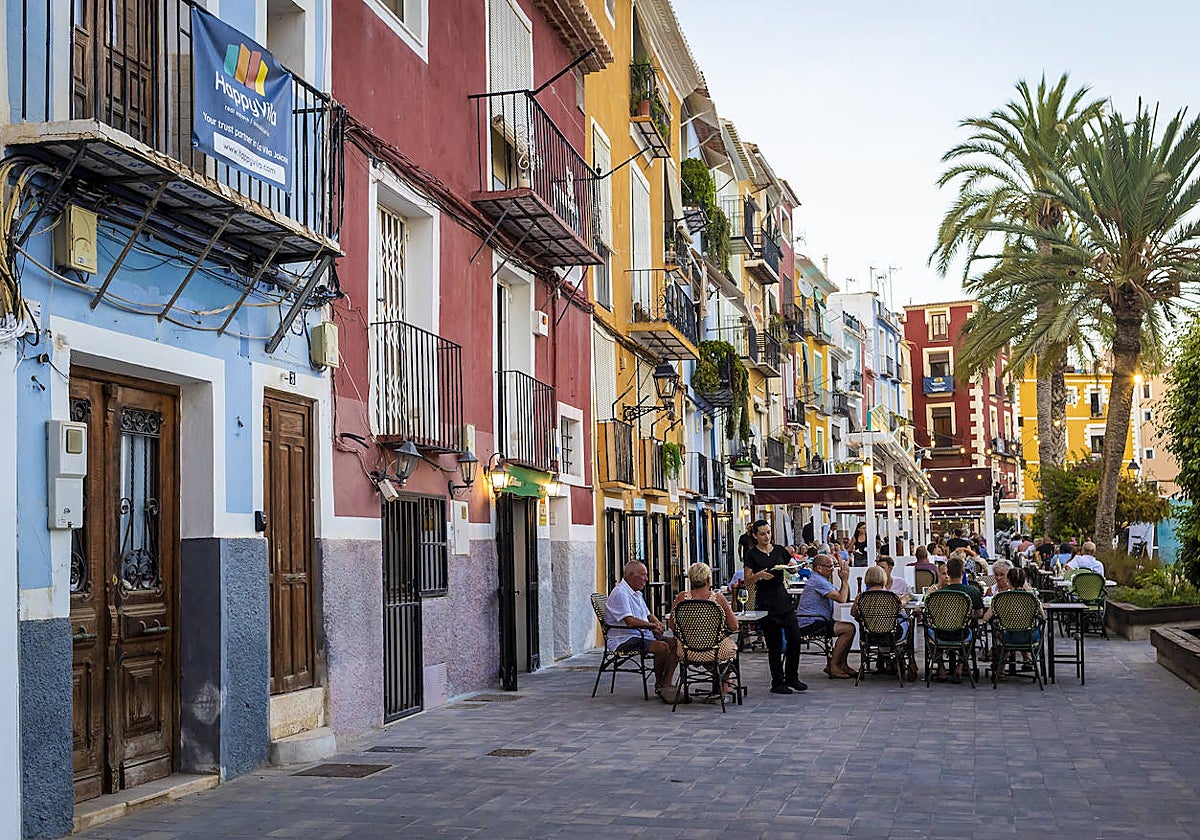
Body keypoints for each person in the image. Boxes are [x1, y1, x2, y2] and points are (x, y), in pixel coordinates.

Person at [743, 519, 808, 694]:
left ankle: (792, 677)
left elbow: (792, 566)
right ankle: (777, 681)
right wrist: (759, 575)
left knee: (795, 638)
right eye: (762, 534)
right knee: (775, 644)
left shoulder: (779, 550)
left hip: (783, 597)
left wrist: (793, 568)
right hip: (766, 599)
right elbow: (747, 580)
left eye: (769, 532)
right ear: (755, 535)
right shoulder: (752, 555)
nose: (767, 536)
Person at [605, 561, 679, 702]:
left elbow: (648, 614)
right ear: (632, 575)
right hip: (624, 638)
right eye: (643, 575)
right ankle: (660, 684)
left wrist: (657, 622)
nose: (646, 579)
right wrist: (651, 626)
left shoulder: (636, 593)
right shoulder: (621, 592)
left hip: (640, 634)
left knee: (676, 643)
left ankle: (666, 683)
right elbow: (630, 621)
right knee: (662, 647)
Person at [669, 563, 739, 703]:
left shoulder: (681, 598)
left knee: (708, 649)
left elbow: (672, 626)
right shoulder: (717, 598)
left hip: (687, 650)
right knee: (727, 649)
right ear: (708, 580)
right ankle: (724, 687)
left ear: (690, 580)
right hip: (714, 650)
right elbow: (734, 626)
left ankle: (722, 684)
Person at [795, 553, 856, 678]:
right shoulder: (818, 581)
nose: (832, 569)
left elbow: (844, 595)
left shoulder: (821, 580)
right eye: (829, 566)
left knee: (849, 628)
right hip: (811, 621)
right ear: (818, 568)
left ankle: (842, 664)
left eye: (833, 566)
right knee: (848, 629)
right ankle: (833, 665)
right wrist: (844, 580)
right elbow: (842, 598)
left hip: (818, 619)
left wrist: (845, 581)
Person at [928, 555, 984, 683]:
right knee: (971, 629)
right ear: (963, 572)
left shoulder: (937, 594)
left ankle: (941, 667)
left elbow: (930, 614)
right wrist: (965, 616)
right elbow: (980, 612)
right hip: (962, 633)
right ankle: (960, 666)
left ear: (947, 572)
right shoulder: (972, 591)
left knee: (929, 632)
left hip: (940, 633)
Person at [852, 565, 912, 674]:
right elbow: (900, 607)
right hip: (891, 635)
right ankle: (900, 658)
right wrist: (905, 598)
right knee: (907, 621)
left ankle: (887, 661)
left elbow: (853, 613)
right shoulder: (890, 597)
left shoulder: (861, 597)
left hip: (869, 636)